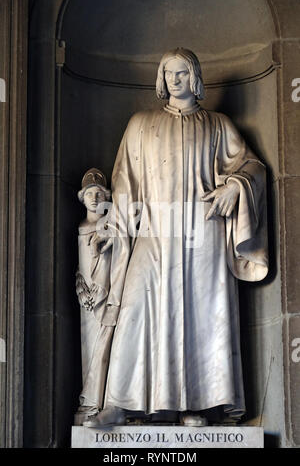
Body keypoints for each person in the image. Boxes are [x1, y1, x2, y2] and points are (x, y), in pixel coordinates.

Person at [85, 48, 268, 428]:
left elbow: (251, 165)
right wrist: (112, 227)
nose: (175, 79)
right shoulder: (140, 124)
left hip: (203, 232)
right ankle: (123, 401)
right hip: (154, 231)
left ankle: (197, 403)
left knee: (201, 316)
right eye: (169, 72)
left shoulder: (218, 125)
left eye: (183, 71)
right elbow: (124, 184)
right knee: (135, 311)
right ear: (160, 77)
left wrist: (235, 186)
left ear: (195, 75)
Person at [75, 168, 119, 424]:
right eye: (90, 193)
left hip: (108, 297)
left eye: (99, 193)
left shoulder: (111, 227)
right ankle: (89, 401)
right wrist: (81, 284)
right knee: (89, 347)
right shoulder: (82, 227)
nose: (94, 197)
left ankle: (102, 401)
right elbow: (81, 264)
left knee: (107, 347)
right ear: (83, 198)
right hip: (87, 300)